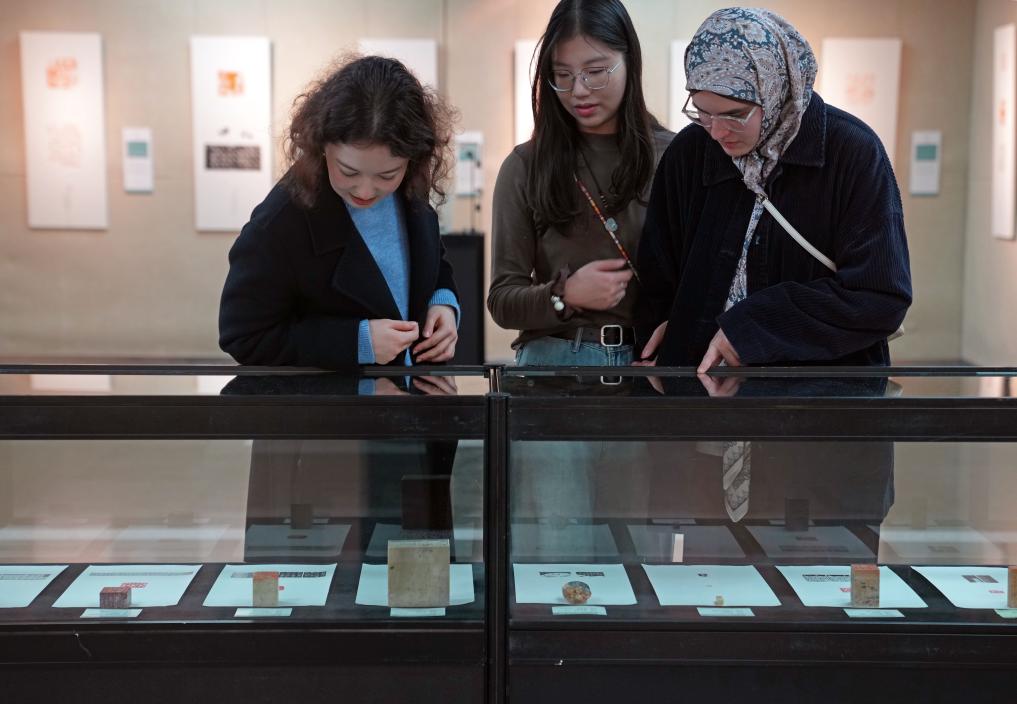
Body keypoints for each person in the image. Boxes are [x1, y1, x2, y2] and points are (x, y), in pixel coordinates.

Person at [637, 8, 912, 374]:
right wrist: (671, 337)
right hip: (700, 387)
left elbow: (880, 296)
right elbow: (658, 276)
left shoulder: (852, 151)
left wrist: (752, 327)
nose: (717, 132)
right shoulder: (691, 150)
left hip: (817, 394)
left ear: (774, 90)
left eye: (735, 114)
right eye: (702, 112)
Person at [219, 55, 460, 370]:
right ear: (322, 145)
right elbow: (244, 336)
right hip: (336, 398)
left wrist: (442, 302)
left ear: (412, 160)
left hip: (410, 390)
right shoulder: (280, 223)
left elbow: (432, 263)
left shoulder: (410, 186)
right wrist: (355, 342)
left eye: (386, 175)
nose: (366, 191)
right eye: (348, 171)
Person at [487, 0, 674, 367]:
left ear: (629, 61)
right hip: (554, 368)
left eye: (596, 72)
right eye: (563, 74)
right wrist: (565, 295)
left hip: (649, 371)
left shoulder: (673, 156)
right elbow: (502, 301)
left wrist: (678, 340)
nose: (579, 91)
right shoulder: (526, 165)